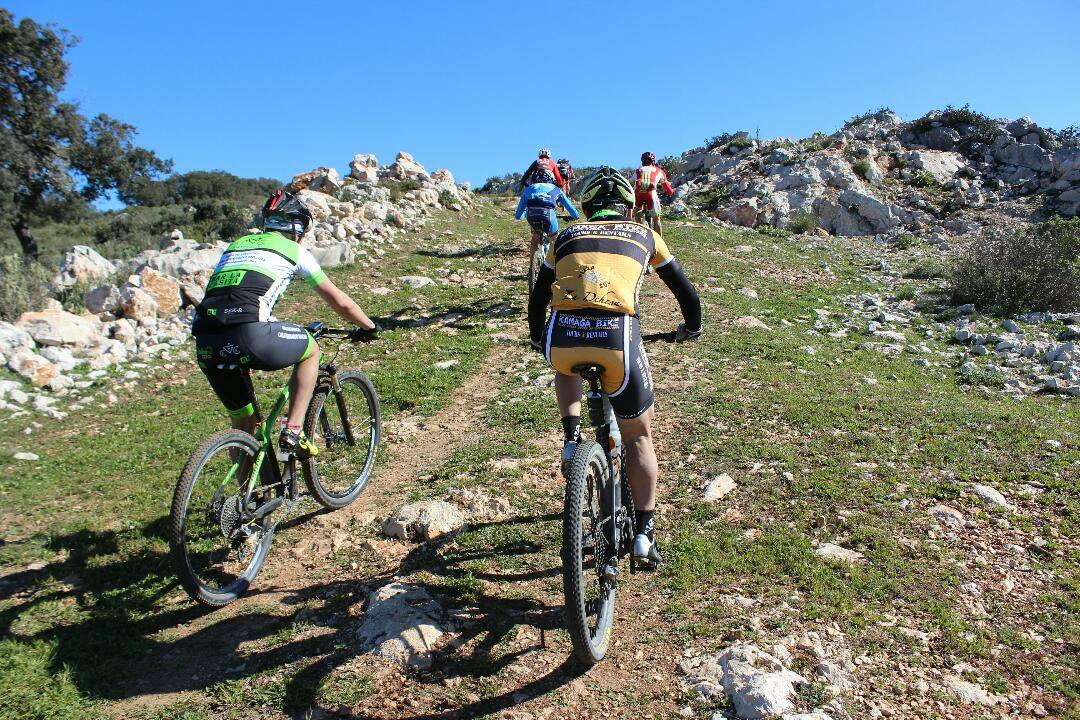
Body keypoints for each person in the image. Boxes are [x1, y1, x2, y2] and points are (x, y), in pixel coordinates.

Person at [527, 167, 702, 569]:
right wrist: (691, 327)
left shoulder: (565, 236)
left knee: (565, 364)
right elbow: (684, 291)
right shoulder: (646, 234)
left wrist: (539, 338)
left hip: (563, 338)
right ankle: (644, 533)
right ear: (628, 206)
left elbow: (539, 296)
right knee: (639, 435)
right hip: (617, 340)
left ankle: (572, 438)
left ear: (587, 207)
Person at [191, 190, 378, 457]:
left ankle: (248, 496)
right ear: (297, 227)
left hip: (207, 341)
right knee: (311, 348)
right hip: (250, 334)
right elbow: (341, 303)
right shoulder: (294, 250)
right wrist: (369, 326)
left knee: (245, 425)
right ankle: (294, 430)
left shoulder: (237, 245)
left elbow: (236, 294)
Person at [514, 168, 579, 265]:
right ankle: (555, 266)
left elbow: (518, 214)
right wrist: (576, 216)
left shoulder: (529, 189)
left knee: (535, 235)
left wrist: (522, 215)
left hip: (531, 215)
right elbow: (570, 207)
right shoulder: (556, 189)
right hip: (548, 214)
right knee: (554, 238)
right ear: (551, 179)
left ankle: (532, 265)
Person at [634, 151, 675, 234]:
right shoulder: (659, 171)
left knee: (637, 215)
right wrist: (671, 192)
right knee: (657, 219)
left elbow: (631, 182)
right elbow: (666, 187)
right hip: (651, 194)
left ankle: (639, 232)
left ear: (642, 161)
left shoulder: (638, 171)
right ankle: (659, 243)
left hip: (638, 194)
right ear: (653, 161)